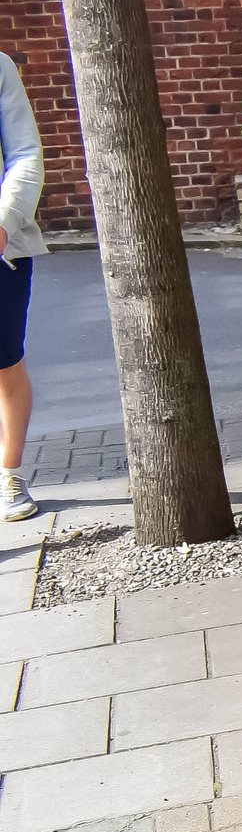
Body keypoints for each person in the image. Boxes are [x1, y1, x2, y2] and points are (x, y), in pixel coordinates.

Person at [0, 49, 46, 522]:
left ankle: (9, 473)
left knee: (4, 362)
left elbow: (24, 152)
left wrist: (6, 220)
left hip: (1, 245)